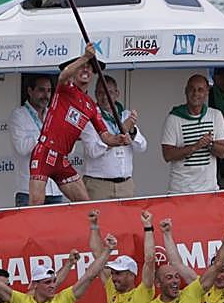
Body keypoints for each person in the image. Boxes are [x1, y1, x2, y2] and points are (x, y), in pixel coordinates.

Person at [28, 44, 131, 205]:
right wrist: (85, 57)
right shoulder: (65, 88)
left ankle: (85, 230)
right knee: (35, 205)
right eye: (82, 67)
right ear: (75, 72)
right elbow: (63, 75)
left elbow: (106, 137)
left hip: (62, 159)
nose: (86, 70)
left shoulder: (91, 106)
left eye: (89, 68)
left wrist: (119, 140)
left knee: (85, 205)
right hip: (44, 151)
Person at [89, 208, 154, 303]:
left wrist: (148, 227)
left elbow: (150, 259)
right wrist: (94, 225)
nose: (113, 277)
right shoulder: (112, 288)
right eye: (112, 273)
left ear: (131, 275)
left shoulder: (142, 292)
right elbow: (97, 254)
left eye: (118, 273)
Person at [81, 73, 147, 200]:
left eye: (109, 92)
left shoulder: (126, 115)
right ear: (95, 94)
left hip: (125, 185)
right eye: (101, 93)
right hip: (99, 185)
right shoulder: (90, 118)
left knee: (126, 220)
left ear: (117, 93)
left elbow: (142, 147)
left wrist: (132, 131)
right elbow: (92, 151)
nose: (105, 97)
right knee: (97, 220)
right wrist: (116, 139)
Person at [162, 74, 224, 194]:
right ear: (186, 91)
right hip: (180, 190)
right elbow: (168, 155)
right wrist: (195, 147)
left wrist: (210, 144)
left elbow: (222, 152)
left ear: (207, 92)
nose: (195, 93)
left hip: (209, 190)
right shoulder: (174, 118)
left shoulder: (216, 115)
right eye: (191, 89)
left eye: (200, 90)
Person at [9, 75, 64, 206]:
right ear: (30, 91)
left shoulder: (54, 114)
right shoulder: (19, 115)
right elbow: (22, 148)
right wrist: (46, 137)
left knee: (56, 227)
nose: (46, 95)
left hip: (54, 189)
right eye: (41, 90)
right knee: (29, 227)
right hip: (28, 191)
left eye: (49, 91)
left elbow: (66, 148)